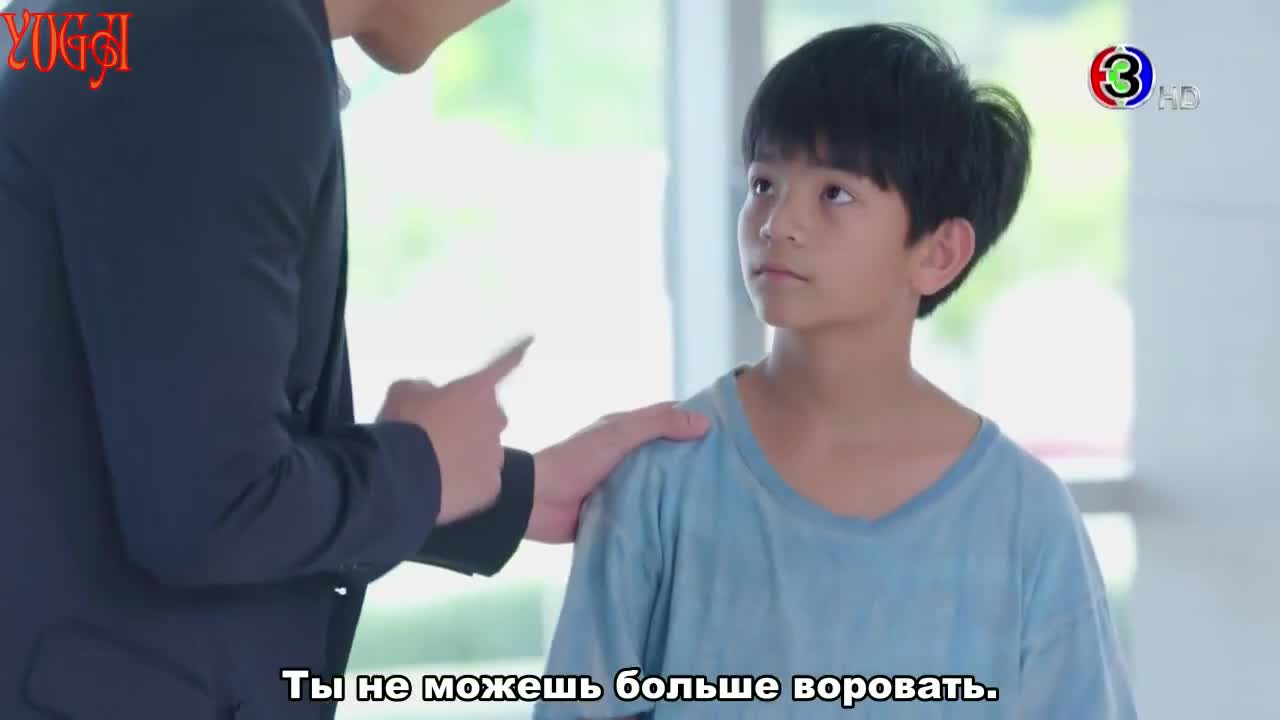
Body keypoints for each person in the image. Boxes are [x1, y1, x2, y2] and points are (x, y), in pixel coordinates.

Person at [0, 0, 707, 718]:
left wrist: (512, 493)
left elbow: (132, 444)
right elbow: (208, 512)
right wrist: (421, 470)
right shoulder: (233, 43)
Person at [535, 23, 1138, 720]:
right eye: (764, 183)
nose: (777, 222)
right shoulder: (662, 479)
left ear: (939, 253)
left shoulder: (1024, 515)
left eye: (835, 194)